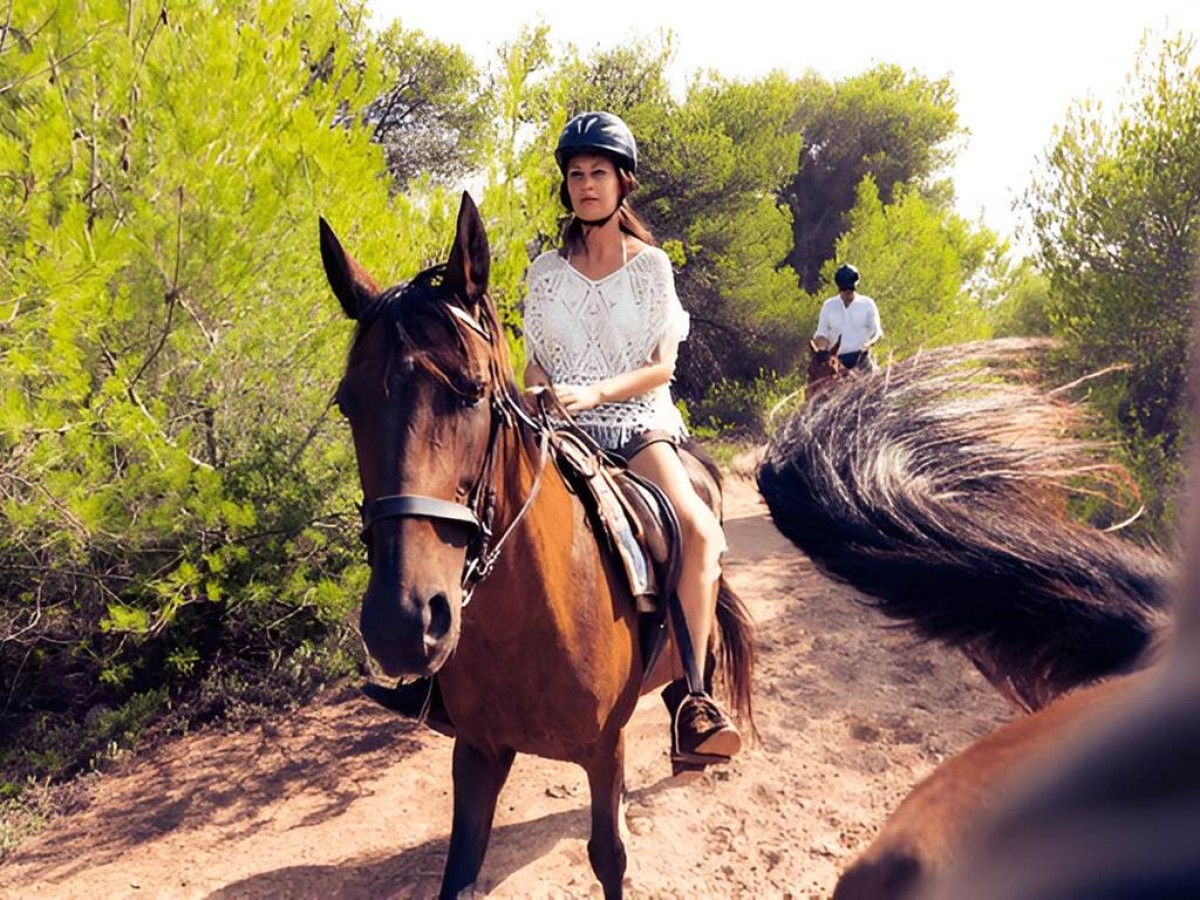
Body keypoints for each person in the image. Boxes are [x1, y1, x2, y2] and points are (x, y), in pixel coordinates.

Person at [521, 110, 742, 775]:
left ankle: (695, 701)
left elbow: (661, 366)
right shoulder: (544, 273)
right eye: (575, 175)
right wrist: (540, 392)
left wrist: (595, 394)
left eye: (597, 173)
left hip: (637, 422)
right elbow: (535, 360)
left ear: (623, 183)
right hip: (559, 426)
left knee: (697, 534)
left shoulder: (651, 269)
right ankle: (446, 679)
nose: (585, 185)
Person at [812, 263, 883, 372]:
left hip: (861, 360)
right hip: (837, 362)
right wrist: (822, 351)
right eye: (845, 291)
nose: (848, 294)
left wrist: (868, 344)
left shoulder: (867, 304)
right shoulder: (829, 306)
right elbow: (822, 334)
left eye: (850, 290)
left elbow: (877, 332)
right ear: (840, 288)